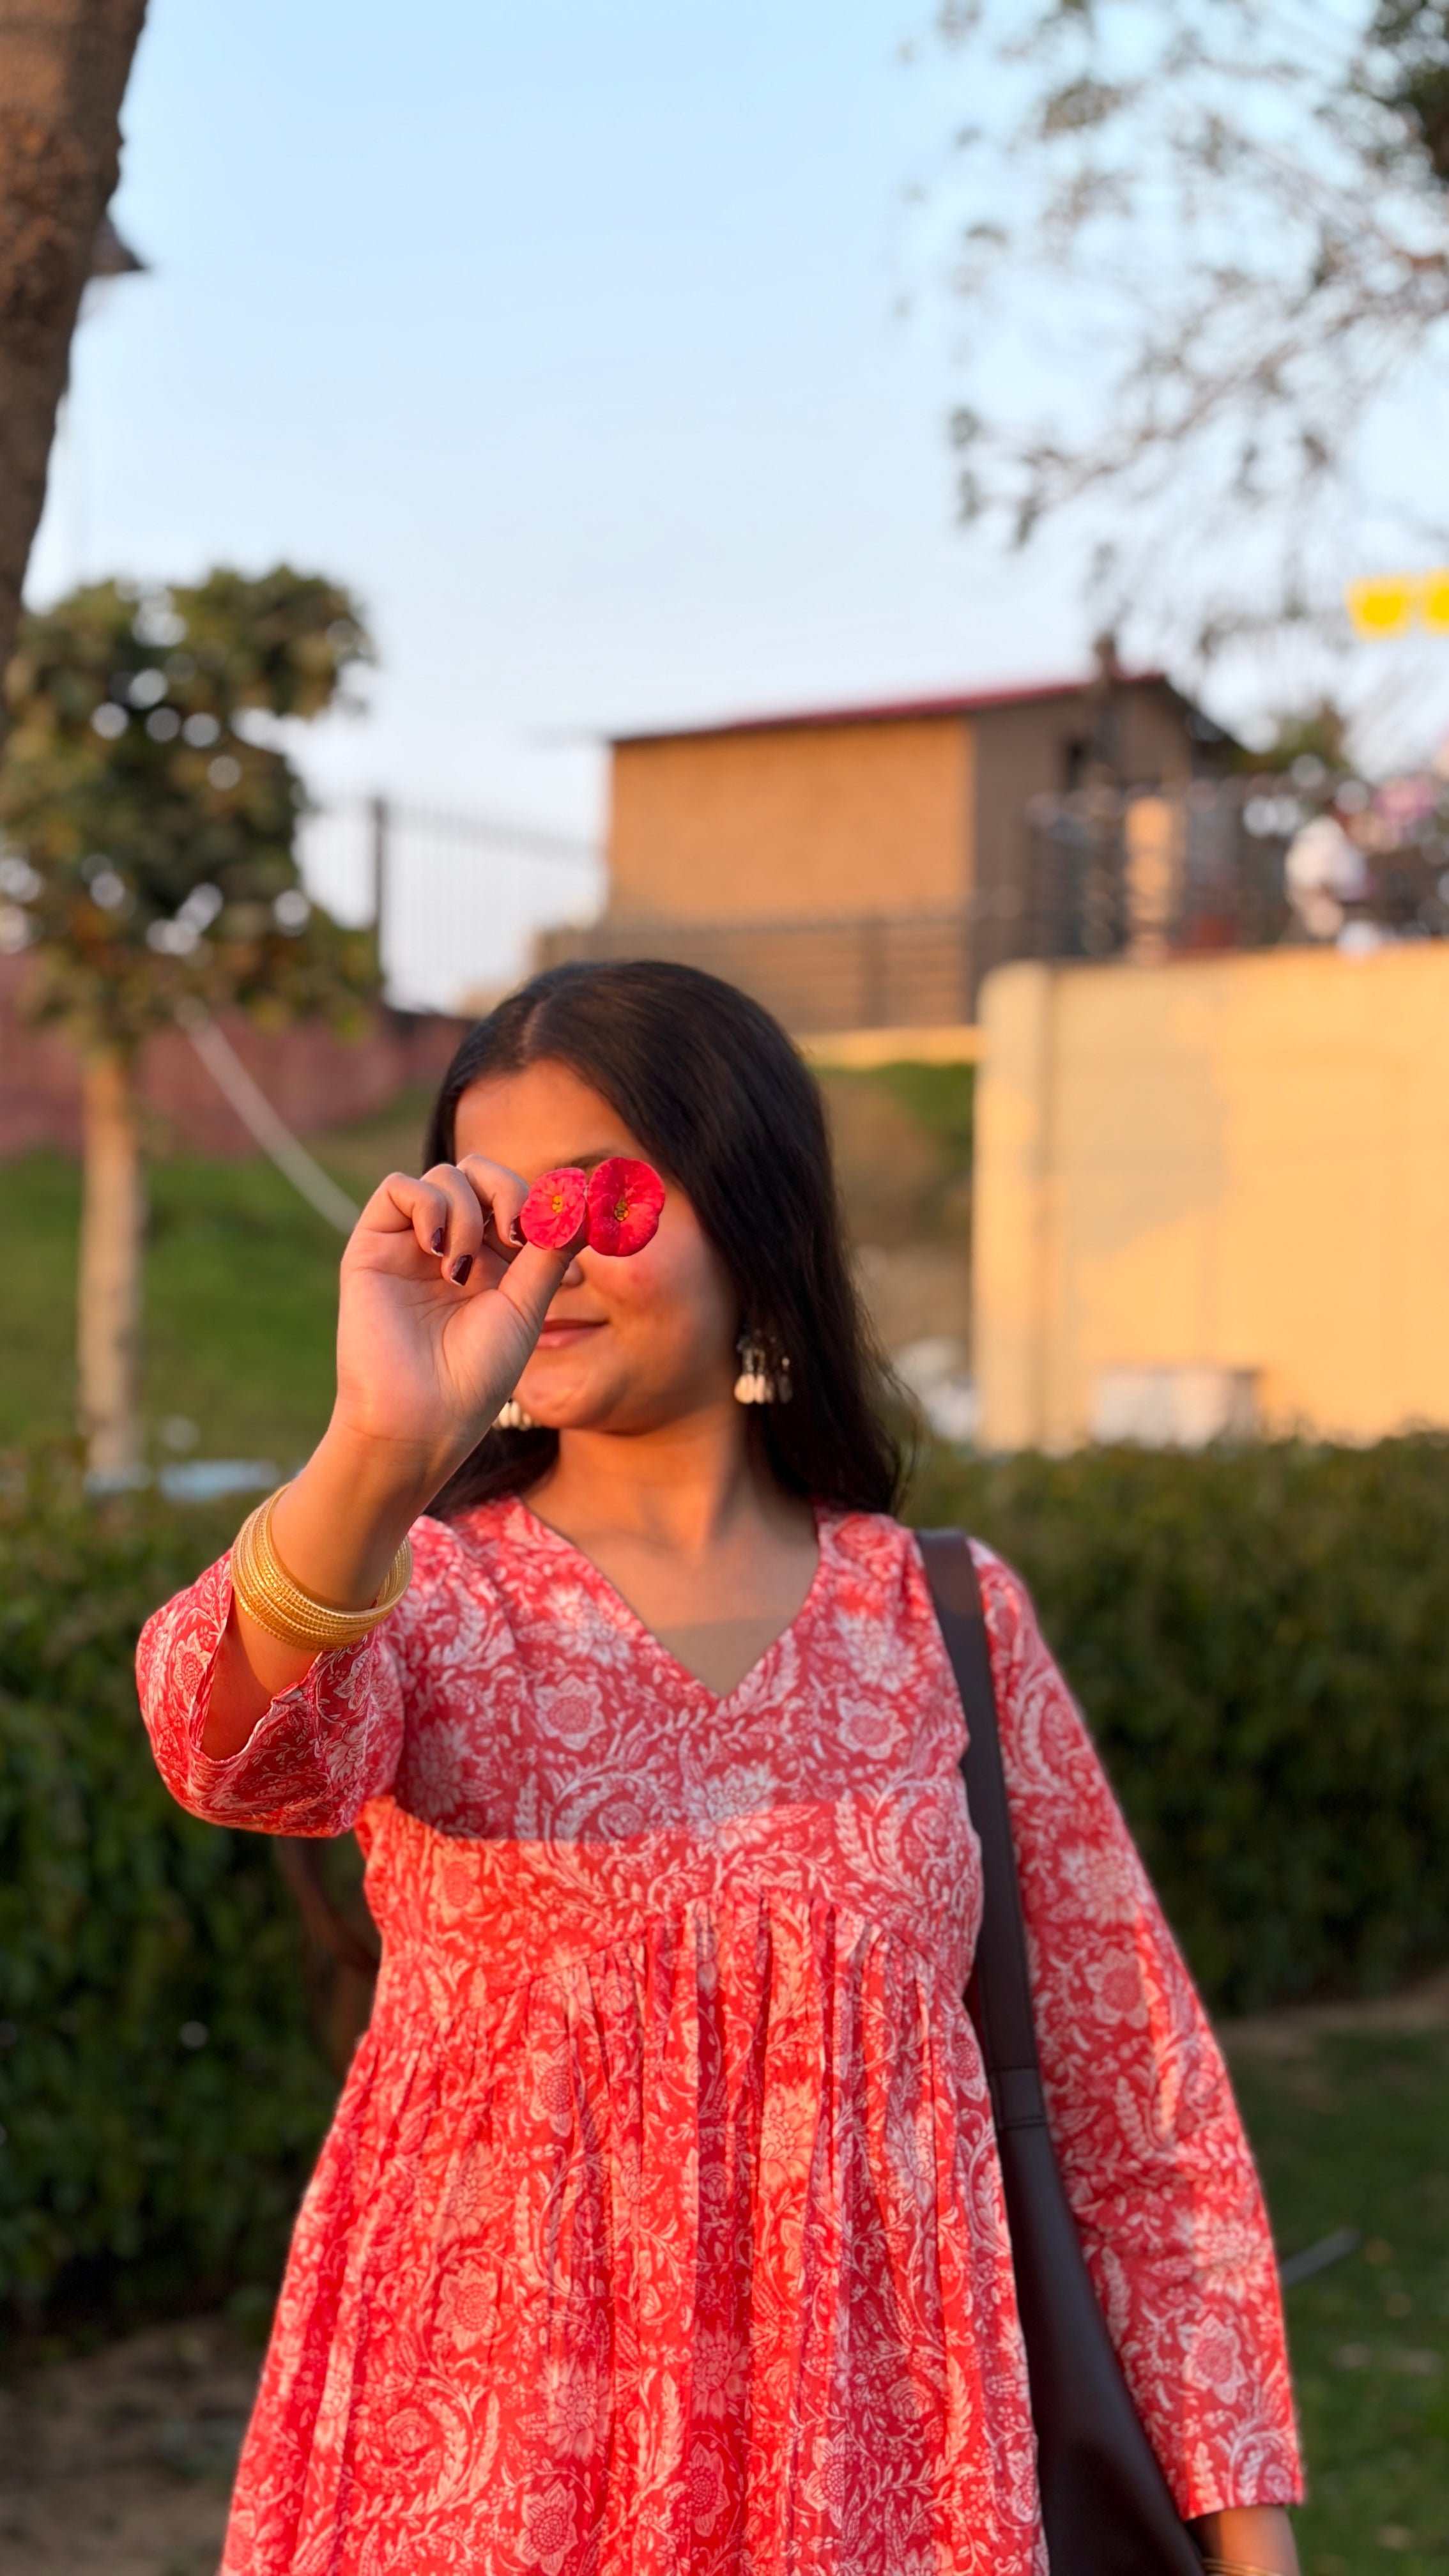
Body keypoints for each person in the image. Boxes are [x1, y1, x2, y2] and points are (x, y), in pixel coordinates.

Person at [137, 961, 1301, 2576]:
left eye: (601, 1202)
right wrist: (376, 1446)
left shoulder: (941, 1618)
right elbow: (221, 1746)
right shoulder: (430, 1605)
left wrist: (1249, 2539)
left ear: (750, 1216)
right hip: (480, 2484)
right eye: (499, 1214)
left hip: (876, 2485)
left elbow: (1139, 2108)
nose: (547, 1264)